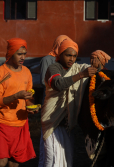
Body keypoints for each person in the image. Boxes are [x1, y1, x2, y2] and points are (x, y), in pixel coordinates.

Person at [40, 39, 98, 167]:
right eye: (68, 55)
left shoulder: (77, 68)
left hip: (67, 124)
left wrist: (98, 62)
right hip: (52, 121)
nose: (71, 59)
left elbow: (95, 71)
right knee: (52, 161)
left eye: (74, 56)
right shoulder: (53, 67)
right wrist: (81, 75)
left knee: (66, 160)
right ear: (60, 55)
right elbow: (58, 84)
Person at [0, 38, 38, 167]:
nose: (23, 57)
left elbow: (28, 97)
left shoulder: (27, 72)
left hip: (21, 123)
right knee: (2, 162)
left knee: (14, 163)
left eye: (24, 54)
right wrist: (16, 96)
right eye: (19, 54)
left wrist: (31, 107)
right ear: (11, 53)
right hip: (2, 122)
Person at [38, 35, 74, 166]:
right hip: (51, 102)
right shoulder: (48, 59)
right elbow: (45, 80)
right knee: (49, 147)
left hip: (64, 106)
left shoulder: (69, 59)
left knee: (63, 144)